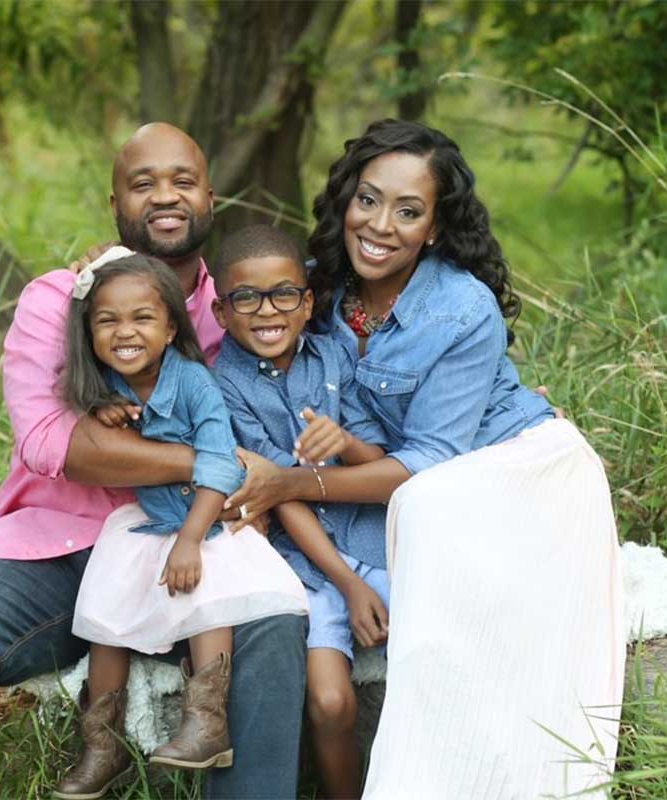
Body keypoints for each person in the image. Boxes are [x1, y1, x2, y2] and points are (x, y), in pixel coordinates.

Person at [0, 123, 308, 800]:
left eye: (182, 181)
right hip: (61, 549)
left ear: (210, 196)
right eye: (143, 184)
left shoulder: (239, 309)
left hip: (189, 549)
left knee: (274, 622)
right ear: (114, 203)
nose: (165, 197)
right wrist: (208, 460)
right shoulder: (59, 300)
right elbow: (57, 444)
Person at [225, 119, 626, 797]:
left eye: (408, 211)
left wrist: (288, 483)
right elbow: (215, 316)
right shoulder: (311, 290)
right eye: (369, 200)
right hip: (396, 483)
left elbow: (430, 464)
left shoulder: (463, 309)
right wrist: (103, 276)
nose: (380, 225)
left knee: (428, 531)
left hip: (512, 471)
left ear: (435, 228)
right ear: (346, 200)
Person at [50, 250, 307, 798]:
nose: (125, 332)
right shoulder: (104, 386)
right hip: (148, 522)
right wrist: (100, 411)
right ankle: (103, 744)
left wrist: (191, 540)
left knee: (210, 597)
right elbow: (87, 427)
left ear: (171, 327)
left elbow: (218, 461)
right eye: (107, 320)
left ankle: (205, 725)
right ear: (88, 332)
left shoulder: (194, 383)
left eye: (142, 318)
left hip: (207, 519)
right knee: (107, 618)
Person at [208, 224, 392, 799]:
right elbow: (274, 495)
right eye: (246, 297)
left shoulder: (334, 354)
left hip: (371, 539)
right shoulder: (222, 388)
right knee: (331, 703)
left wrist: (343, 443)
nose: (268, 310)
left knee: (438, 657)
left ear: (307, 301)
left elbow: (377, 458)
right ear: (220, 311)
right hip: (305, 568)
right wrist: (347, 586)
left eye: (285, 293)